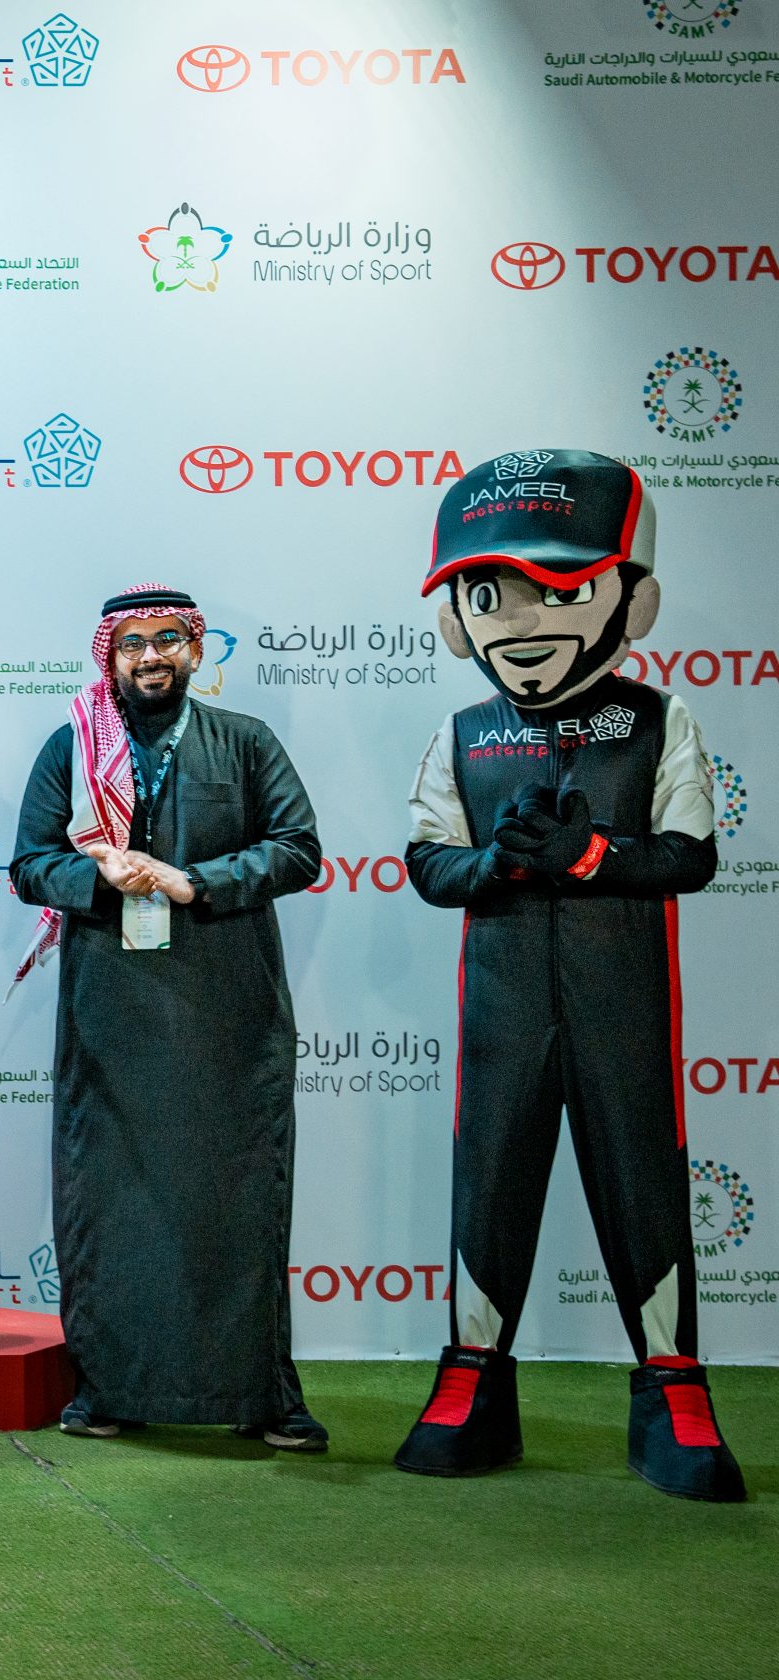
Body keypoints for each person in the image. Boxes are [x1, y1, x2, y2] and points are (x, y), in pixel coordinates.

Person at [394, 449, 744, 1501]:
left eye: (562, 590)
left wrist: (589, 856)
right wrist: (496, 864)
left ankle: (672, 1386)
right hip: (501, 1006)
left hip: (621, 1000)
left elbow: (690, 855)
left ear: (632, 601)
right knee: (490, 1174)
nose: (521, 620)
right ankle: (472, 1375)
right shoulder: (463, 732)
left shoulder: (657, 717)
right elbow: (428, 863)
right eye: (489, 595)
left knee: (641, 1177)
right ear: (457, 618)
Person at [10, 584, 326, 1448]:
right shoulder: (73, 746)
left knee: (239, 1203)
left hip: (229, 1015)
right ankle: (109, 1389)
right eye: (133, 644)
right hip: (110, 1017)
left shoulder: (245, 741)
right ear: (110, 656)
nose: (150, 657)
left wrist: (196, 882)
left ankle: (263, 1394)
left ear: (194, 649)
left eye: (166, 640)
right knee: (113, 1204)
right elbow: (30, 863)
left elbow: (298, 849)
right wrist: (97, 875)